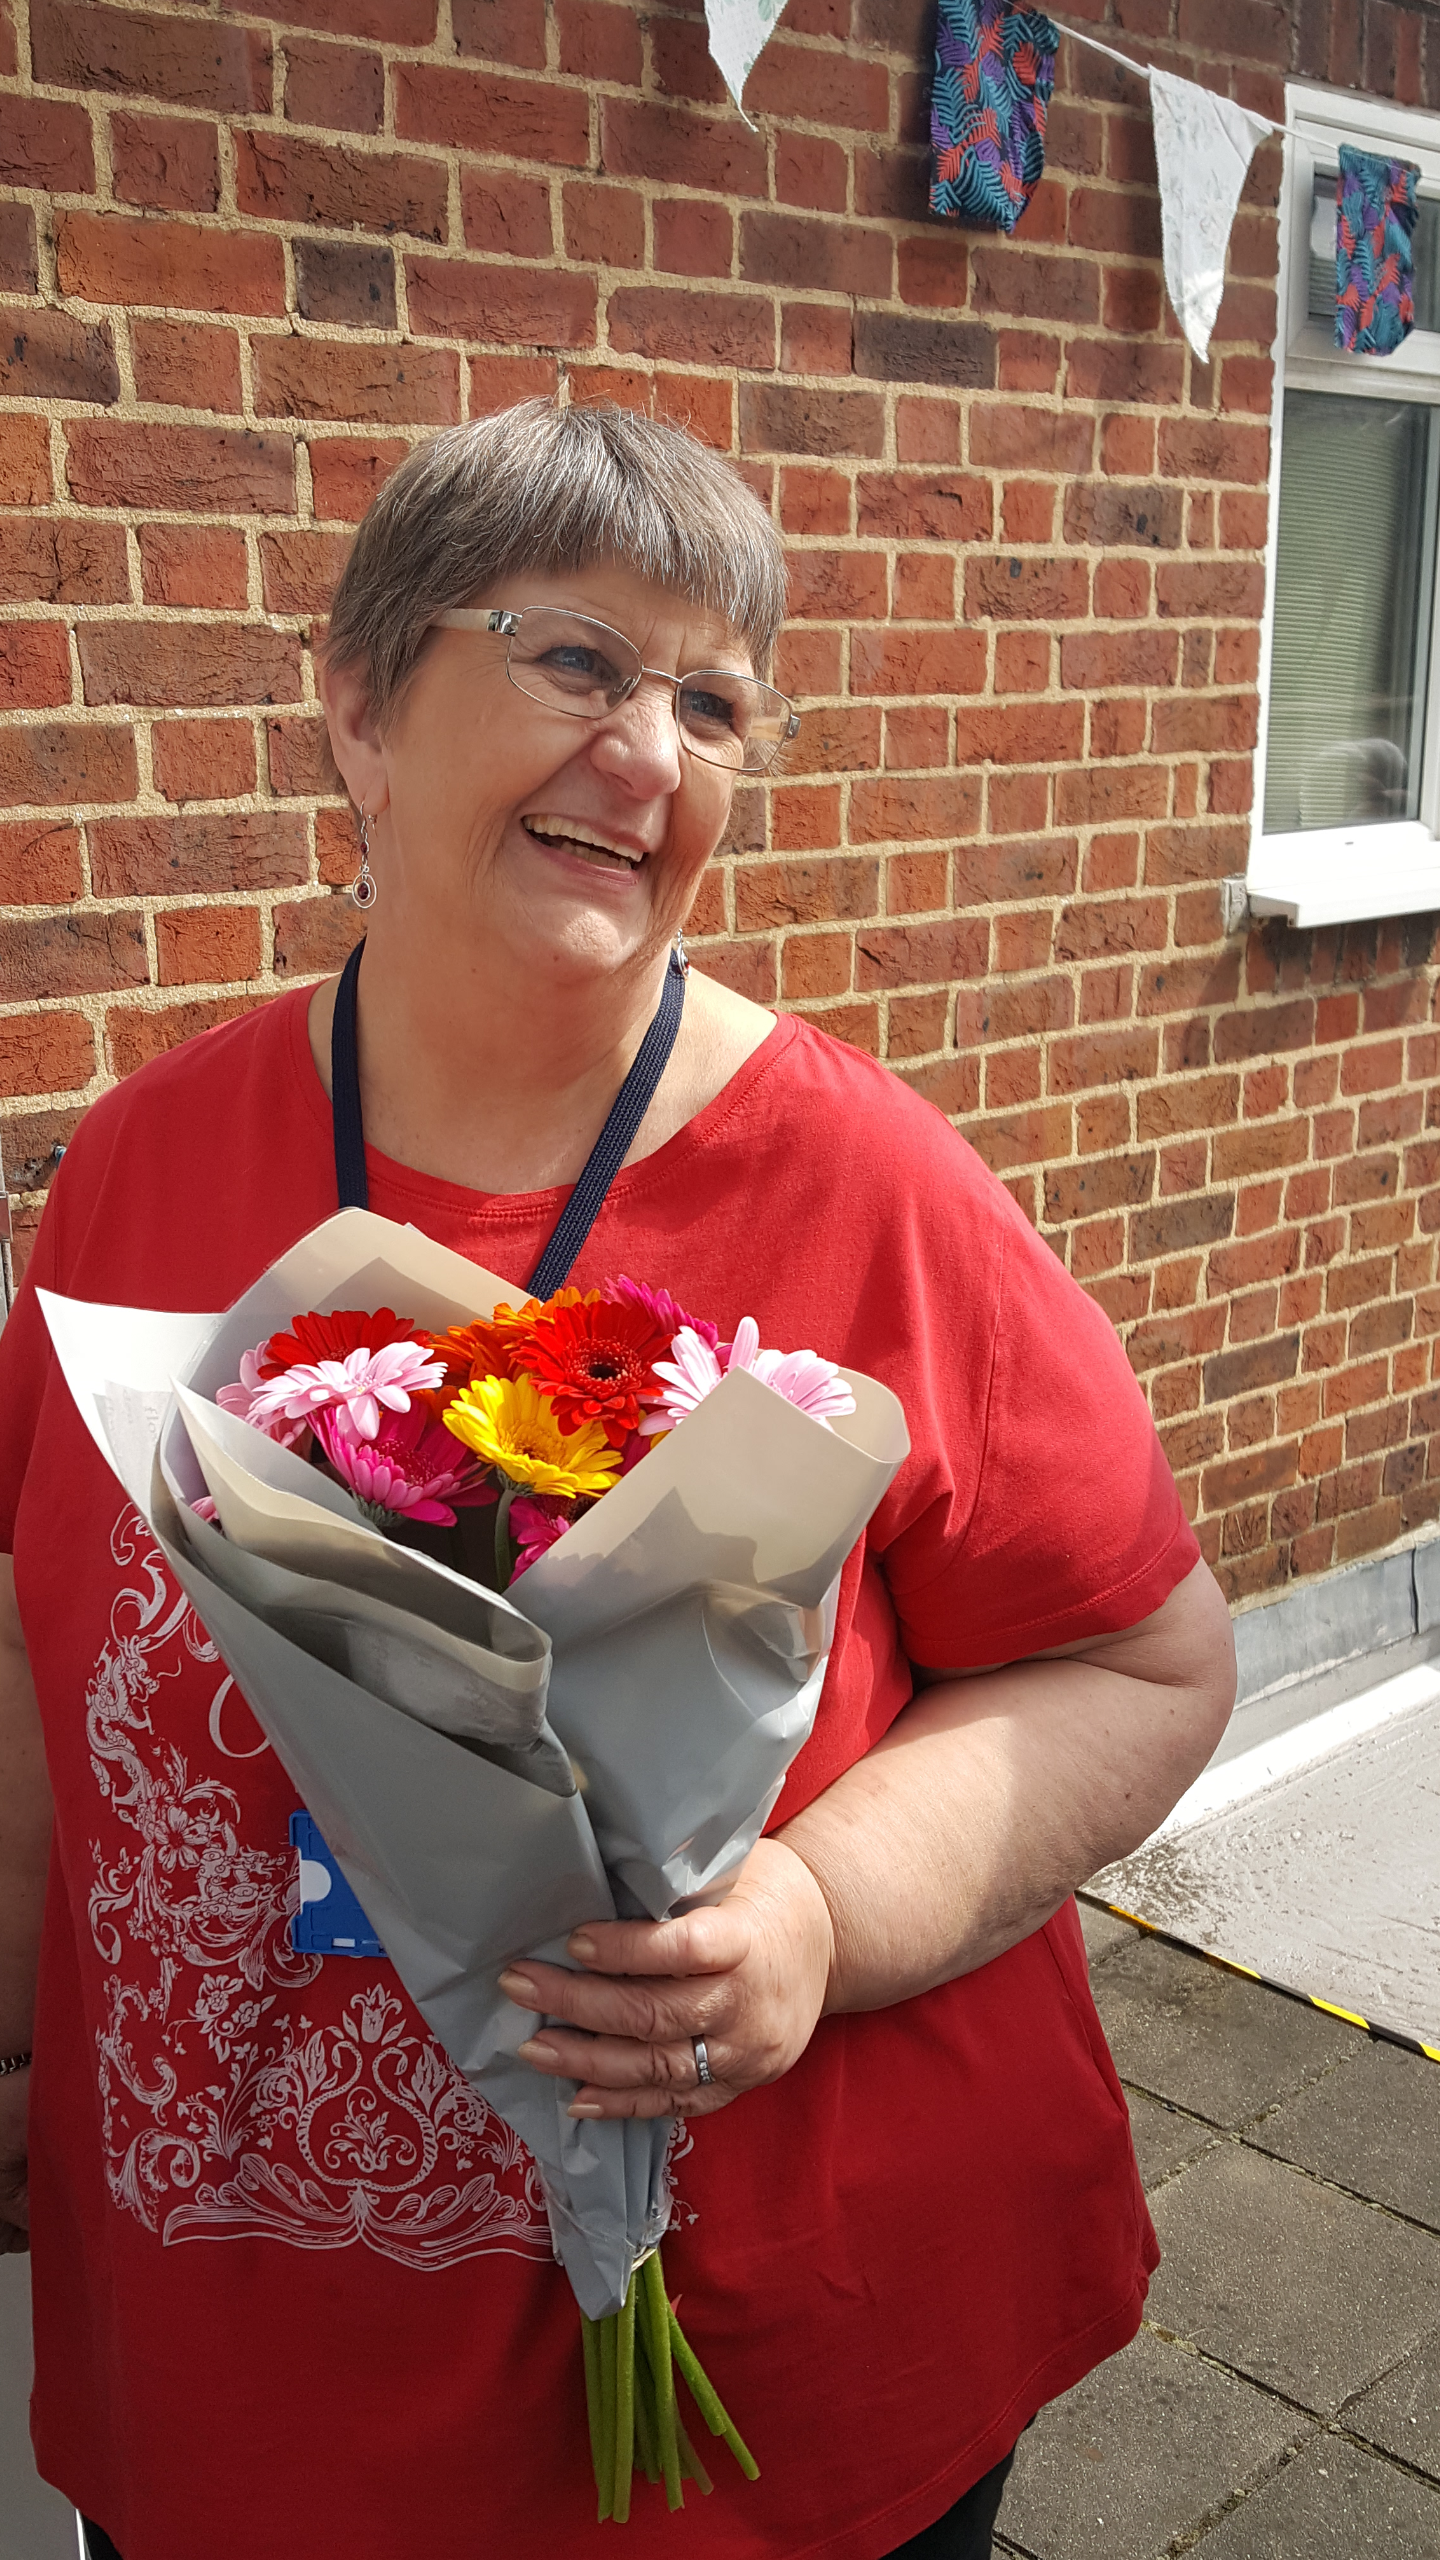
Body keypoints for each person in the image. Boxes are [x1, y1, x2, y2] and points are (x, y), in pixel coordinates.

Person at [0, 400, 1235, 2560]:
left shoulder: (876, 1191)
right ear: (364, 707)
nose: (652, 749)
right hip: (247, 2377)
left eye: (713, 697)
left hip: (753, 2397)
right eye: (578, 656)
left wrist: (819, 1914)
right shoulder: (138, 1160)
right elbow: (40, 1653)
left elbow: (1143, 1656)